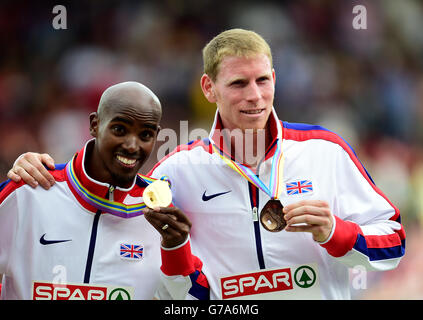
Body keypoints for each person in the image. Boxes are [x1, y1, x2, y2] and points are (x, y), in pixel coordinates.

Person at [8, 29, 406, 300]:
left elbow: (395, 244)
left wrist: (336, 232)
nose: (255, 96)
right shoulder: (175, 172)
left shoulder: (325, 150)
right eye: (238, 83)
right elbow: (177, 284)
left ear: (275, 79)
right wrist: (42, 170)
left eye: (263, 80)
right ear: (208, 88)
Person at [0, 81, 201, 300]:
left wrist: (176, 250)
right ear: (95, 124)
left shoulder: (162, 216)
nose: (132, 146)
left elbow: (183, 299)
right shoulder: (29, 190)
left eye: (145, 135)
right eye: (119, 129)